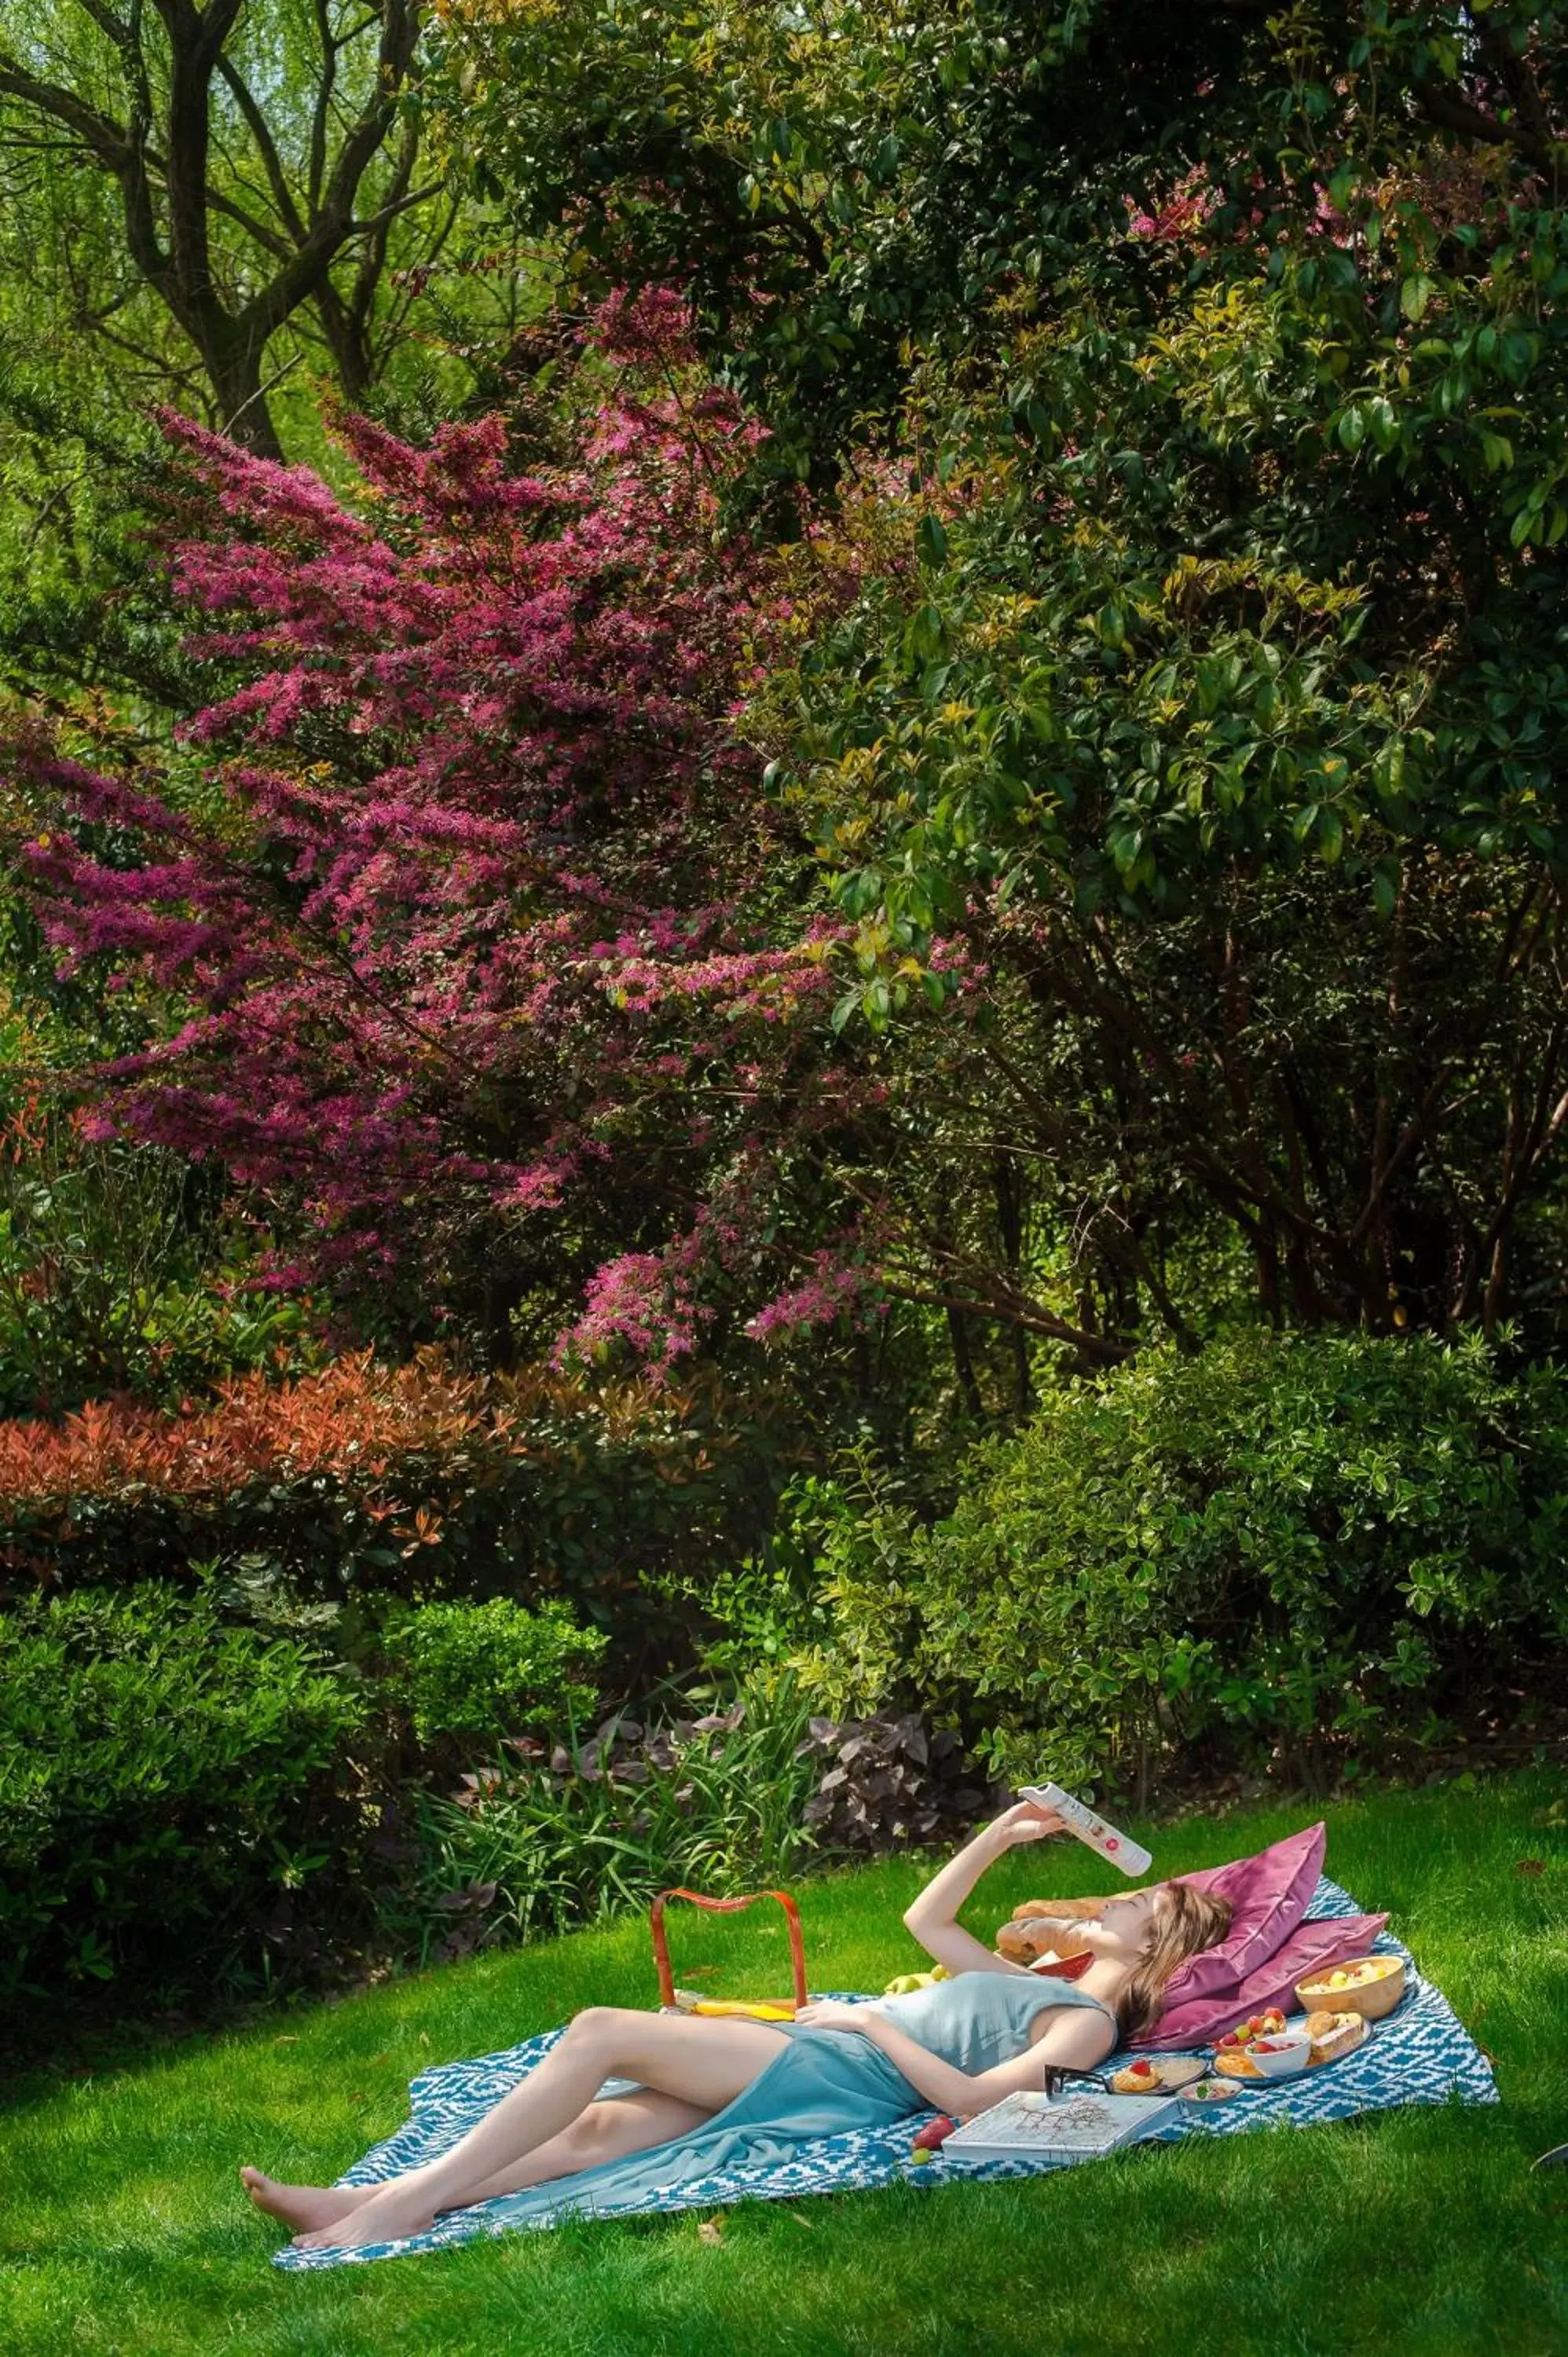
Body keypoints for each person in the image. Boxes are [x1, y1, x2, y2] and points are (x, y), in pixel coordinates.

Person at [242, 1798, 1233, 2251]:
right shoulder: (1039, 1978)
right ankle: (355, 2203)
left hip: (840, 2064)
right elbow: (925, 1921)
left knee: (597, 2029)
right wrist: (999, 1834)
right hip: (832, 2045)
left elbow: (973, 2102)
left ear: (1156, 1953)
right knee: (587, 2134)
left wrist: (869, 2022)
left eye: (1131, 1911)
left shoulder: (1086, 2029)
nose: (1107, 1905)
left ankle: (400, 2210)